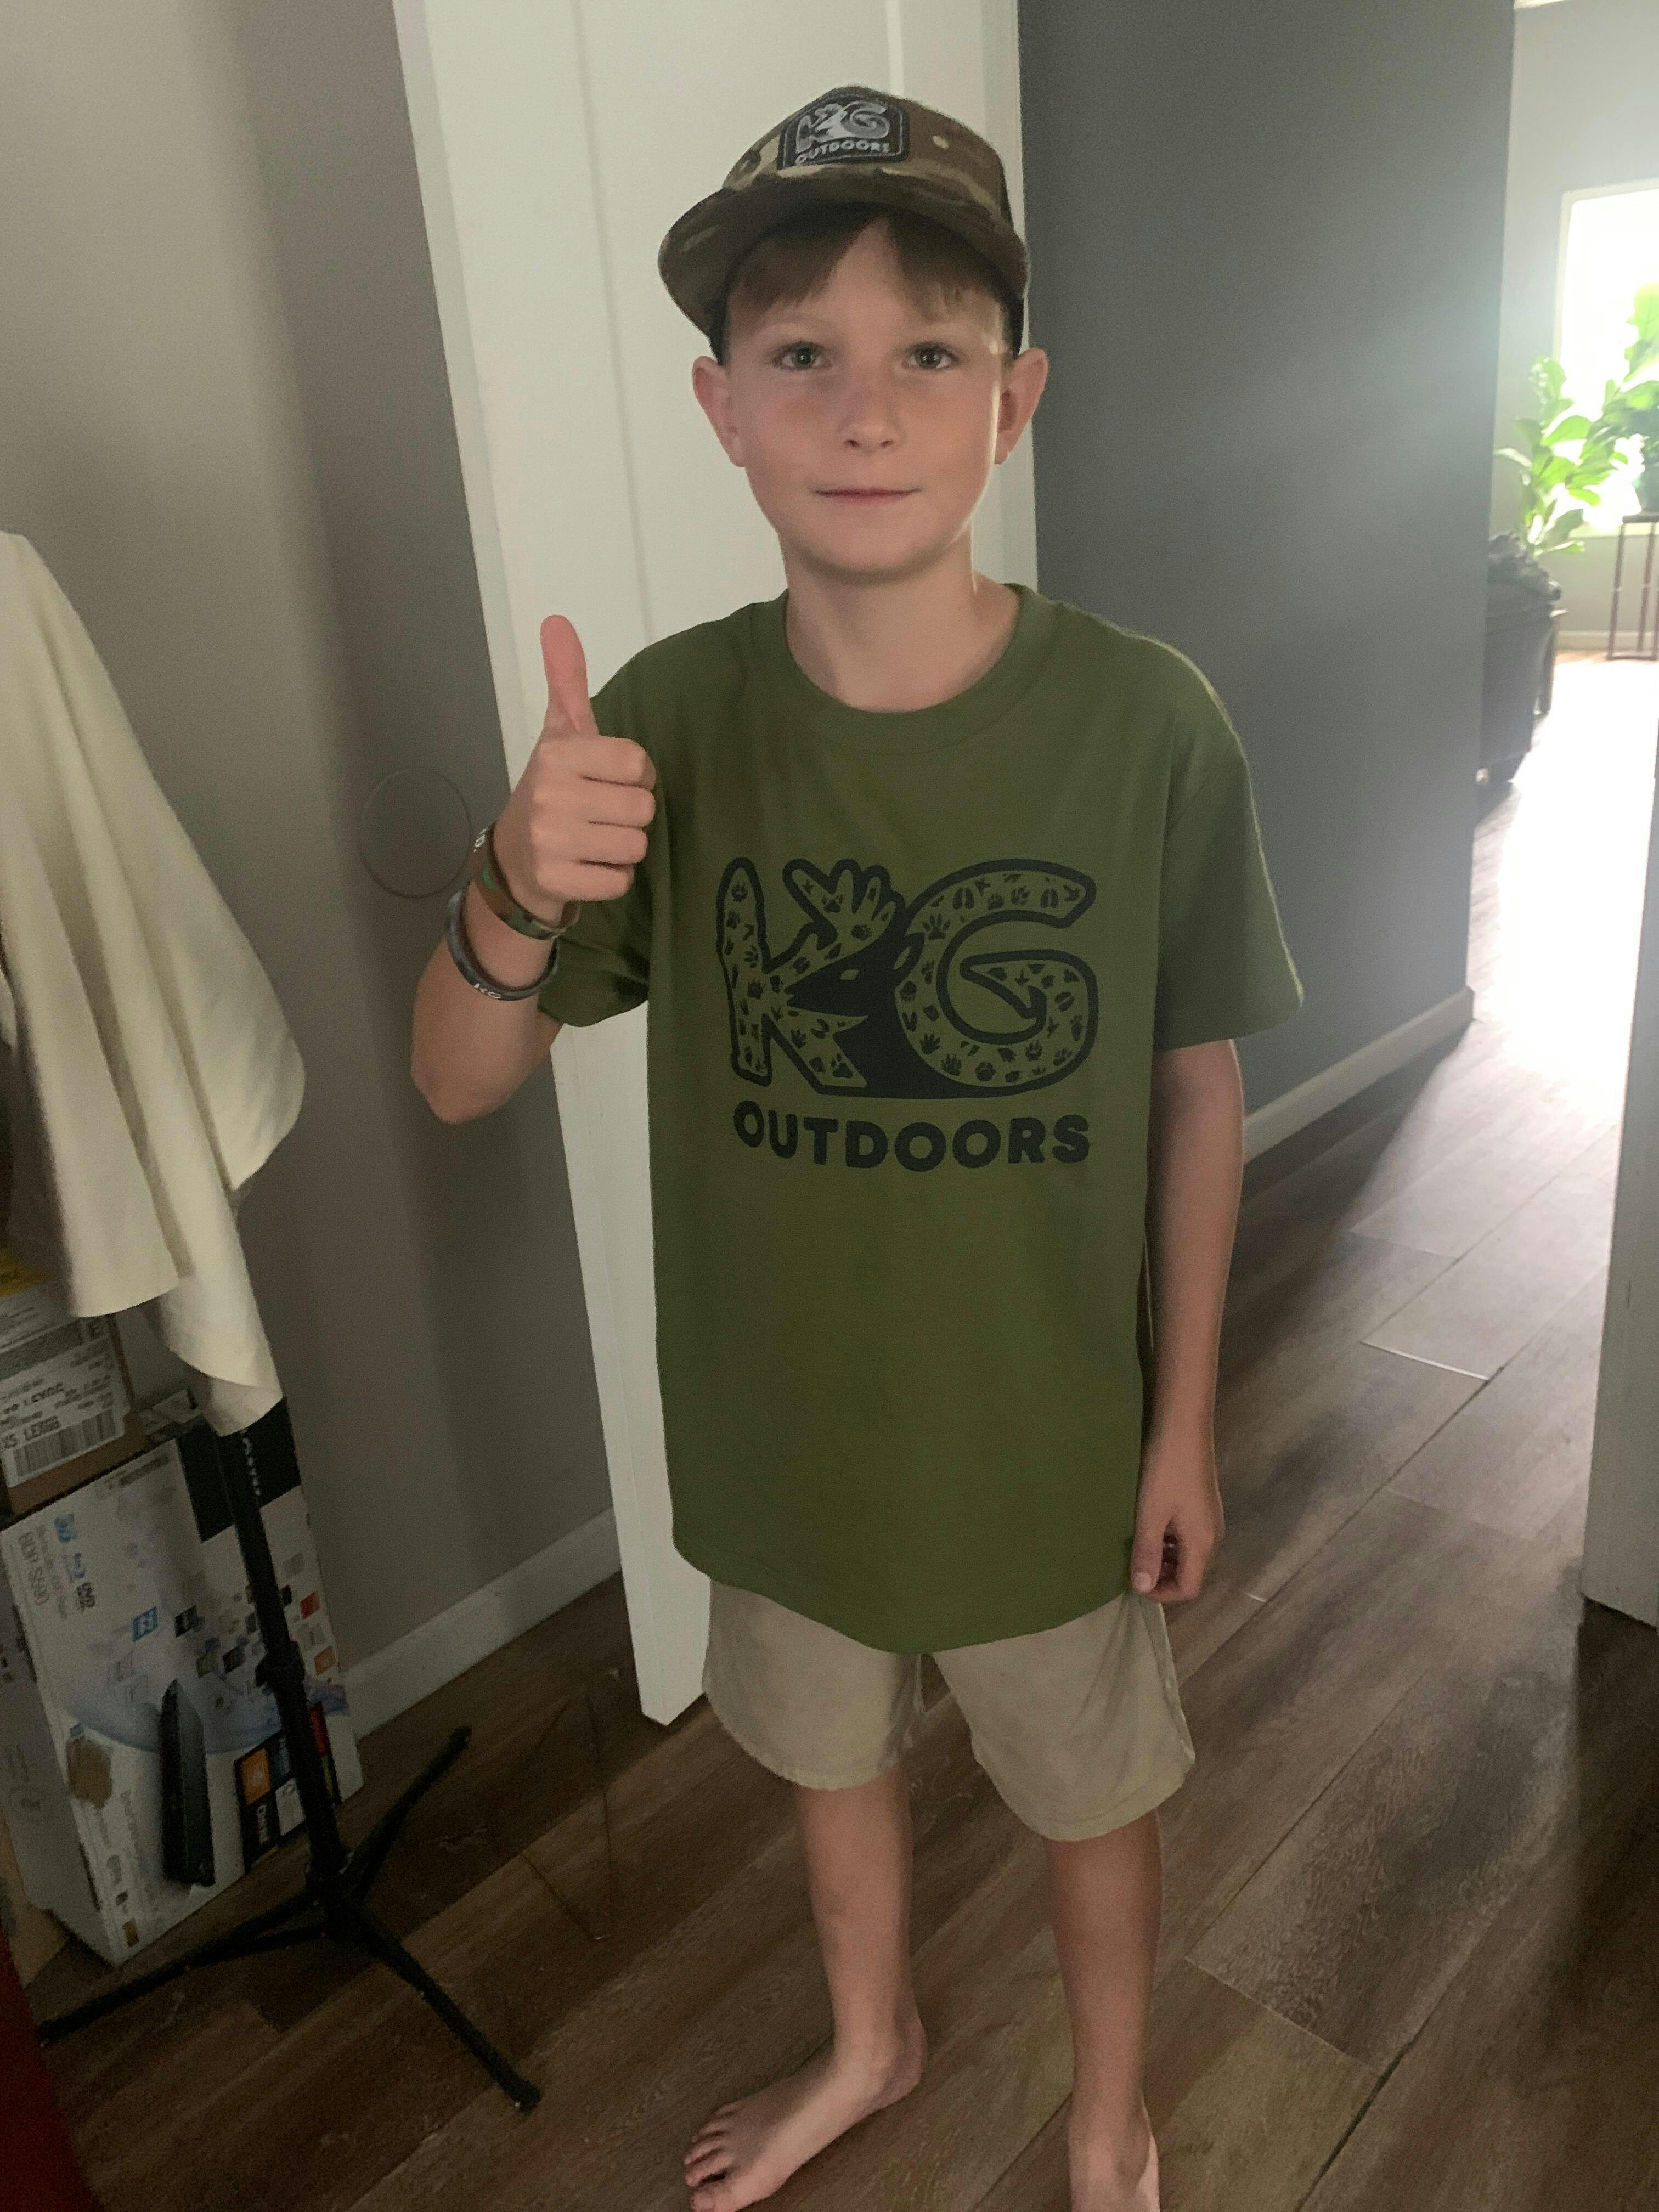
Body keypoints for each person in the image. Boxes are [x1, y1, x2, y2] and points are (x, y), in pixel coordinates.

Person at [410, 82, 1303, 2212]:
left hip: (1047, 1451)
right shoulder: (666, 726)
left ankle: (1108, 2119)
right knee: (829, 1771)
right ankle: (872, 2039)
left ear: (1017, 398)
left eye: (932, 351)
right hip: (787, 1447)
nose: (869, 409)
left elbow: (1194, 1086)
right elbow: (455, 1078)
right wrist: (516, 879)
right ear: (722, 408)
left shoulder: (1147, 724)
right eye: (803, 351)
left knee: (1093, 1799)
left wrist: (1183, 1423)